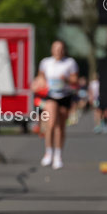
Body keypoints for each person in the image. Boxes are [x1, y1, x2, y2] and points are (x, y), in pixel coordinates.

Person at [33, 40, 79, 169]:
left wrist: (67, 79)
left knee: (60, 127)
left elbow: (75, 79)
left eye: (60, 48)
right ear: (52, 50)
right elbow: (40, 77)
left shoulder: (70, 63)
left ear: (64, 50)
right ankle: (48, 152)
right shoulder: (45, 62)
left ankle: (58, 155)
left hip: (65, 95)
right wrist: (38, 83)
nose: (58, 51)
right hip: (51, 96)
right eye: (56, 48)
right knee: (51, 123)